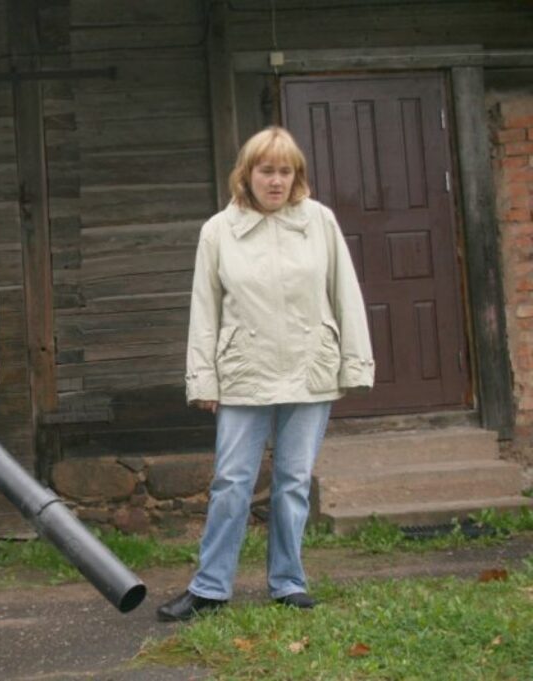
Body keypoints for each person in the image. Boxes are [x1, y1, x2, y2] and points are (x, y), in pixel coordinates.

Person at [157, 126, 374, 622]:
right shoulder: (219, 230)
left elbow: (346, 294)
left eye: (285, 171)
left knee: (294, 481)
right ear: (246, 175)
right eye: (265, 170)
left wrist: (354, 363)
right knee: (232, 481)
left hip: (309, 366)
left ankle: (287, 582)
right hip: (243, 372)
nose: (275, 181)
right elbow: (204, 310)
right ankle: (210, 587)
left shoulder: (320, 222)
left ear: (296, 176)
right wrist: (203, 380)